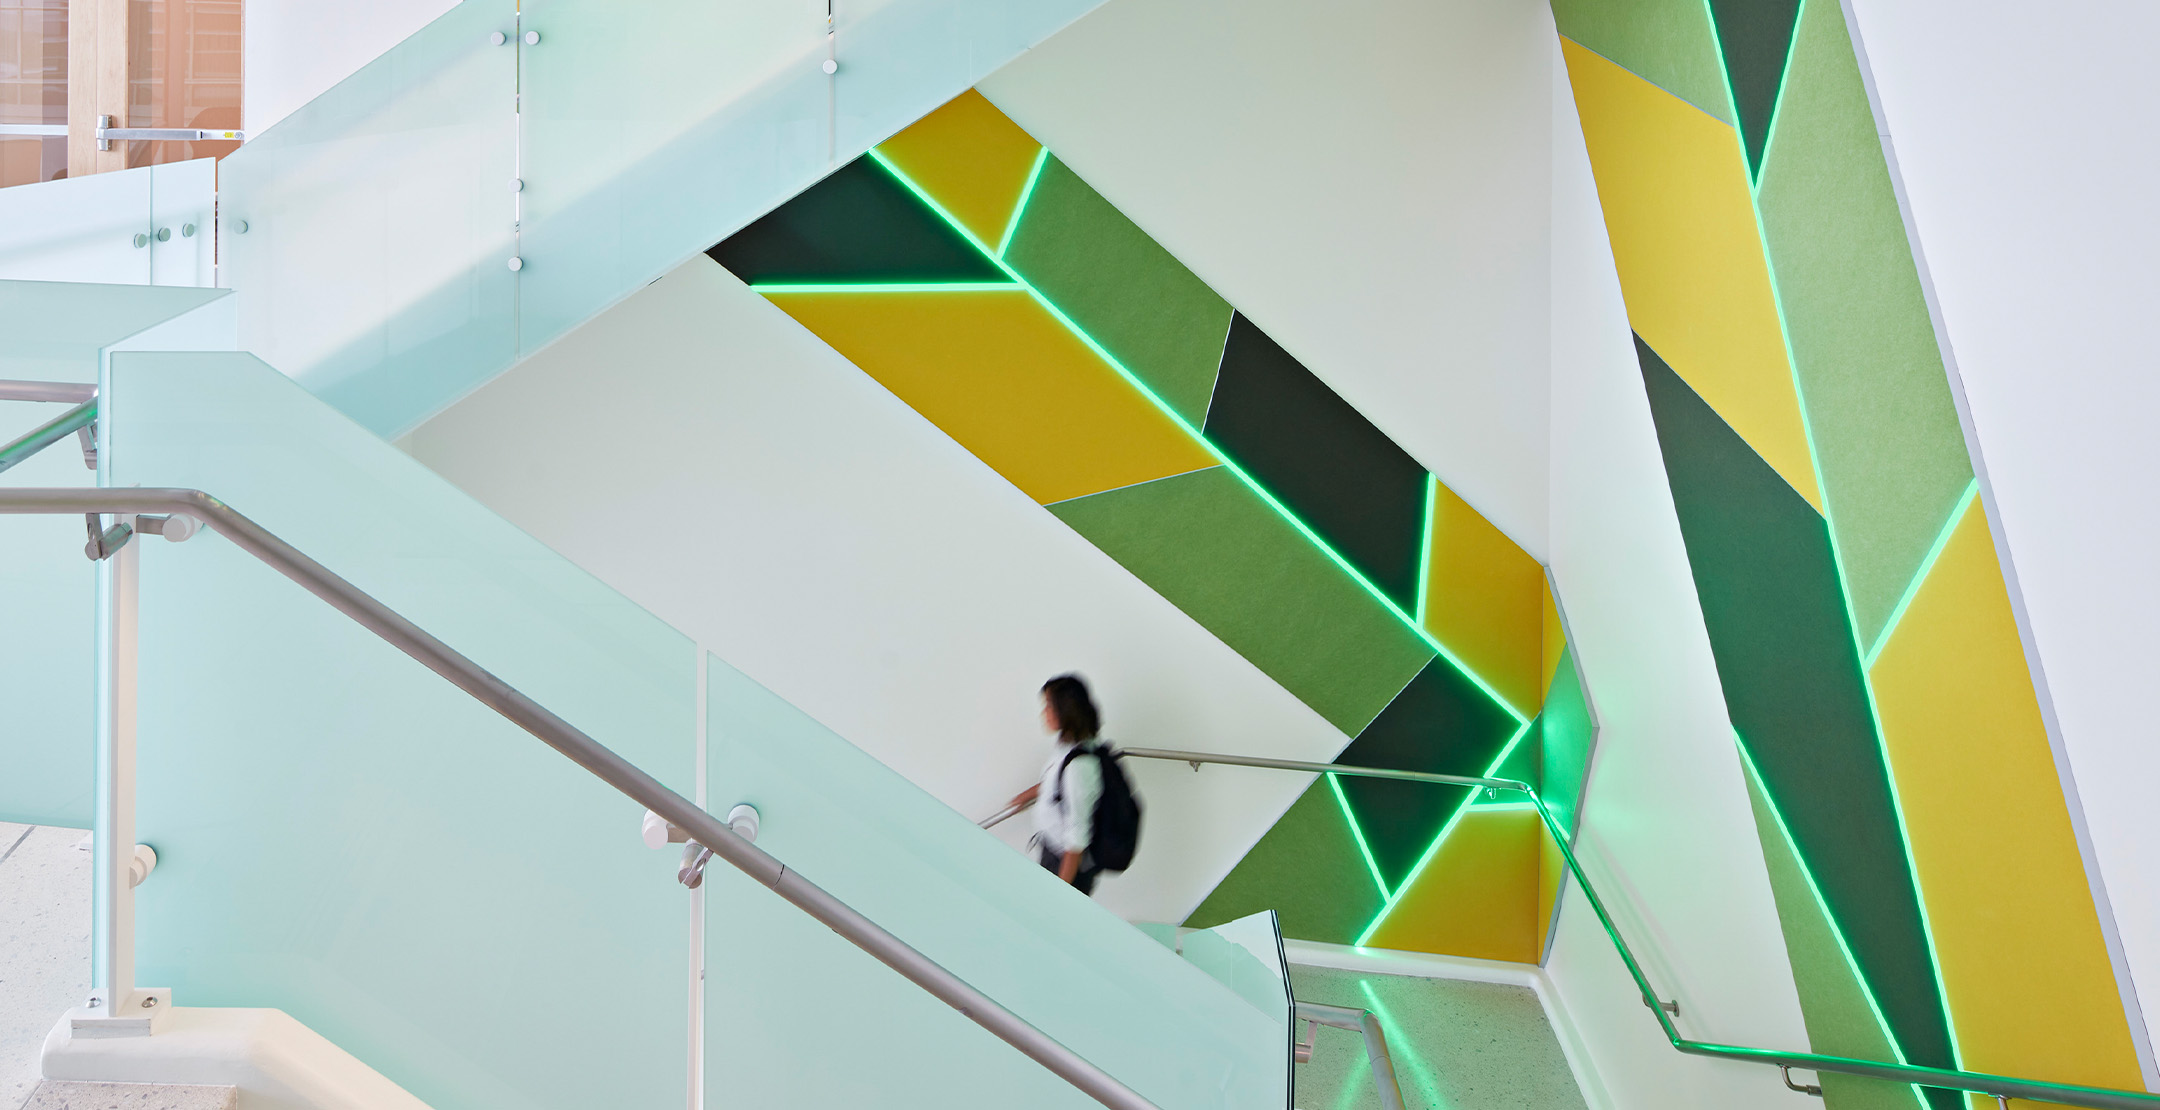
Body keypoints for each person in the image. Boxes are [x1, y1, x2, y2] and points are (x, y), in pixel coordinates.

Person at [1008, 674, 1106, 894]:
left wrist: (1060, 893)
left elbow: (1078, 836)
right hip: (1052, 849)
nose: (1043, 714)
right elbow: (1056, 781)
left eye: (1048, 707)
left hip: (1066, 865)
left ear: (1065, 709)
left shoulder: (1079, 766)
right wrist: (1027, 795)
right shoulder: (1071, 744)